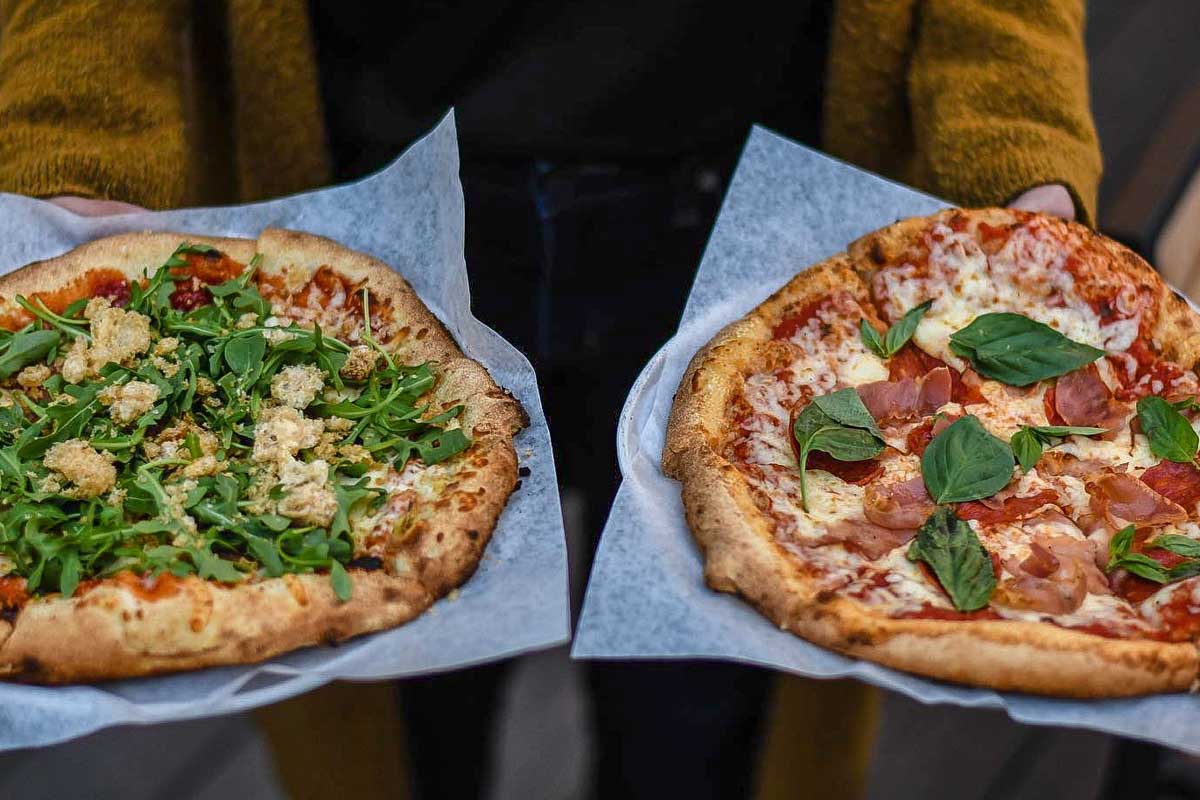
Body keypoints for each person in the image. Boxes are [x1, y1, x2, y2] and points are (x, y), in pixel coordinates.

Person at [0, 1, 1101, 797]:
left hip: (752, 225)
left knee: (705, 732)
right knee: (392, 720)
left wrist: (1018, 153)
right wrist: (75, 152)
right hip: (361, 197)